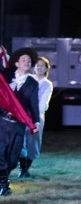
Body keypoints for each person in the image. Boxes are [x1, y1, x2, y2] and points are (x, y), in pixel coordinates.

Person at [0, 48, 40, 195]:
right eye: (23, 59)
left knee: (12, 158)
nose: (27, 61)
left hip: (18, 125)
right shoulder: (5, 76)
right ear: (16, 63)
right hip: (2, 122)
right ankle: (3, 185)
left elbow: (33, 104)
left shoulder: (32, 83)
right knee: (0, 153)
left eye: (29, 60)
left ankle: (3, 176)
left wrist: (36, 122)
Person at [19, 57, 53, 178]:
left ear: (46, 69)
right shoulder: (27, 79)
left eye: (42, 66)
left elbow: (43, 103)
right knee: (19, 142)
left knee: (32, 144)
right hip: (22, 116)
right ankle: (22, 167)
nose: (39, 68)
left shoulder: (47, 84)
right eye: (37, 65)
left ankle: (25, 170)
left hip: (36, 118)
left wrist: (34, 117)